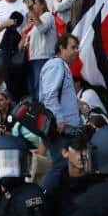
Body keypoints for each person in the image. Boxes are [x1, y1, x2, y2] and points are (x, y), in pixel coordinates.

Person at [38, 34, 84, 191]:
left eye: (77, 47)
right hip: (60, 128)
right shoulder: (56, 64)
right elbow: (50, 95)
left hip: (65, 126)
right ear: (61, 48)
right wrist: (58, 119)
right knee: (61, 165)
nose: (76, 51)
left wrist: (79, 105)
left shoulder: (62, 66)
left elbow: (61, 95)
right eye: (72, 47)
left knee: (65, 166)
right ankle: (40, 199)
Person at [23, 0, 57, 99]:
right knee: (32, 87)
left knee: (40, 87)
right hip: (33, 59)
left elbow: (42, 28)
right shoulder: (35, 21)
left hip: (43, 58)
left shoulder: (47, 16)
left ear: (42, 5)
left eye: (34, 4)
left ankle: (42, 112)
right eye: (31, 6)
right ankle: (35, 110)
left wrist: (30, 10)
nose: (32, 7)